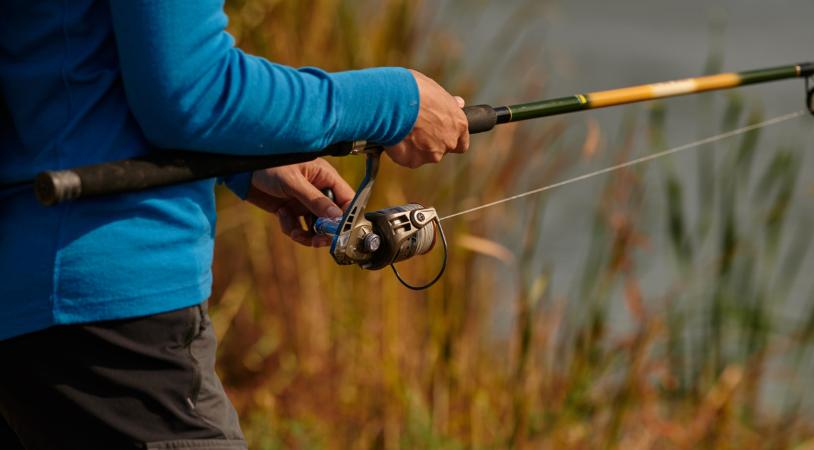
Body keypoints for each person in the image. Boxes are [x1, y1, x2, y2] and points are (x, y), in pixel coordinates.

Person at [0, 1, 469, 449]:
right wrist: (398, 102)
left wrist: (240, 162)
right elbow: (193, 90)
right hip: (110, 314)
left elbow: (60, 62)